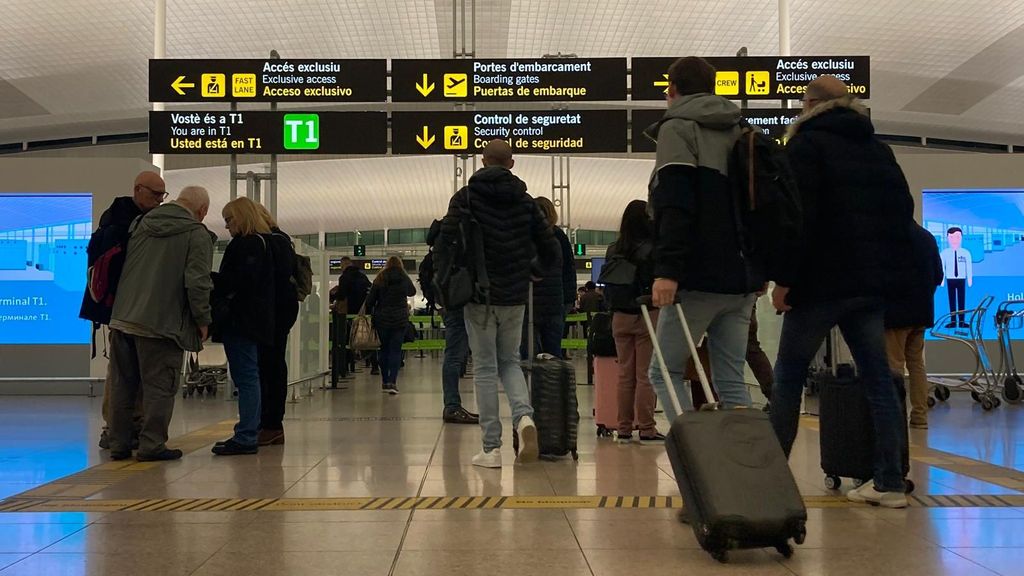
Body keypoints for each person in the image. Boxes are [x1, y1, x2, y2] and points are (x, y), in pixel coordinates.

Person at [770, 75, 915, 508]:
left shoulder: (804, 147)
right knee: (879, 381)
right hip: (868, 285)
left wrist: (785, 280)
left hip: (818, 284)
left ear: (812, 104)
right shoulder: (880, 151)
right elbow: (901, 217)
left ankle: (773, 479)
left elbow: (798, 220)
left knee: (789, 377)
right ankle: (889, 483)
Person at [645, 56, 762, 422]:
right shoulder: (742, 129)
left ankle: (694, 459)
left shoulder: (677, 127)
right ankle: (742, 464)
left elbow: (675, 203)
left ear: (672, 90)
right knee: (730, 380)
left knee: (665, 370)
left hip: (697, 278)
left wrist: (668, 270)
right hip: (742, 280)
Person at [437, 139, 560, 468]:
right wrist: (532, 273)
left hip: (478, 297)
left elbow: (444, 244)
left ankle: (492, 449)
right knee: (511, 362)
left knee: (486, 369)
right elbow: (552, 251)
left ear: (482, 161)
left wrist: (445, 286)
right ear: (512, 163)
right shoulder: (526, 203)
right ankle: (525, 419)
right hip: (515, 296)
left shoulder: (465, 198)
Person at [107, 186, 213, 461]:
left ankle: (119, 443)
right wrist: (203, 319)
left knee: (122, 384)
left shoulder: (141, 222)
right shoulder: (195, 232)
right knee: (159, 386)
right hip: (161, 323)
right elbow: (197, 282)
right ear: (202, 211)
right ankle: (152, 445)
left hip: (123, 317)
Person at [81, 171, 167, 450]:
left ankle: (123, 428)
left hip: (123, 307)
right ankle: (119, 427)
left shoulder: (114, 218)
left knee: (124, 371)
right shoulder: (127, 222)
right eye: (155, 194)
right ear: (138, 190)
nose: (159, 201)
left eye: (162, 195)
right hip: (124, 308)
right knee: (122, 373)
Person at [212, 197, 275, 456]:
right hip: (253, 320)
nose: (227, 226)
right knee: (249, 376)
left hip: (241, 321)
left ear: (243, 217)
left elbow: (238, 282)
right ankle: (248, 431)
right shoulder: (262, 242)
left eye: (230, 219)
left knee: (246, 376)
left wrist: (212, 279)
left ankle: (247, 434)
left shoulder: (247, 244)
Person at [603, 199, 662, 444]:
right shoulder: (652, 248)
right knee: (645, 375)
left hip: (619, 317)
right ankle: (647, 428)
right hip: (646, 314)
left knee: (625, 375)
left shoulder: (613, 248)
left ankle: (624, 427)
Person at [886, 222, 944, 429]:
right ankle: (920, 417)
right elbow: (939, 276)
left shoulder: (889, 238)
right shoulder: (927, 237)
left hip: (895, 315)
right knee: (917, 365)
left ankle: (896, 418)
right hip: (921, 313)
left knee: (894, 367)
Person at [255, 205, 298, 446]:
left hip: (271, 314)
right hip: (281, 313)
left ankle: (270, 423)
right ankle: (270, 423)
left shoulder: (269, 243)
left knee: (269, 367)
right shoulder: (282, 240)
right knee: (273, 365)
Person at [427, 221, 478, 424]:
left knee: (455, 355)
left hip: (449, 301)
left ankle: (452, 404)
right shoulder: (458, 234)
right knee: (456, 355)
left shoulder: (440, 237)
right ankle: (452, 406)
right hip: (462, 301)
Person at [521, 197, 567, 358]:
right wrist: (567, 300)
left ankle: (529, 383)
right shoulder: (558, 236)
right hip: (554, 303)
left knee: (527, 354)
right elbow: (568, 269)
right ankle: (553, 383)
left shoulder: (524, 236)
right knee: (553, 352)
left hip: (529, 303)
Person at [365, 256, 416, 394]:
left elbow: (370, 300)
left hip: (382, 319)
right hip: (400, 320)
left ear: (387, 264)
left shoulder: (380, 278)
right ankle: (393, 382)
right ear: (400, 265)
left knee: (383, 349)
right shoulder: (403, 277)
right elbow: (412, 292)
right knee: (395, 350)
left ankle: (384, 380)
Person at [336, 256, 372, 374]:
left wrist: (334, 296)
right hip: (364, 312)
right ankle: (374, 365)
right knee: (368, 337)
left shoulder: (344, 277)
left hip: (349, 312)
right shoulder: (363, 276)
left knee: (347, 338)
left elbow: (341, 295)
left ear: (343, 265)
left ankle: (346, 367)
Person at [940, 227, 973, 328]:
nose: (954, 240)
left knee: (961, 300)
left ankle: (962, 321)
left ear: (961, 238)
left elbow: (969, 267)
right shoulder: (944, 253)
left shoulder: (966, 253)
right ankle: (953, 321)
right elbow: (942, 268)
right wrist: (941, 281)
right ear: (947, 238)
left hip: (961, 279)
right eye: (951, 237)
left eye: (957, 237)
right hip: (950, 279)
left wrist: (969, 279)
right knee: (952, 301)